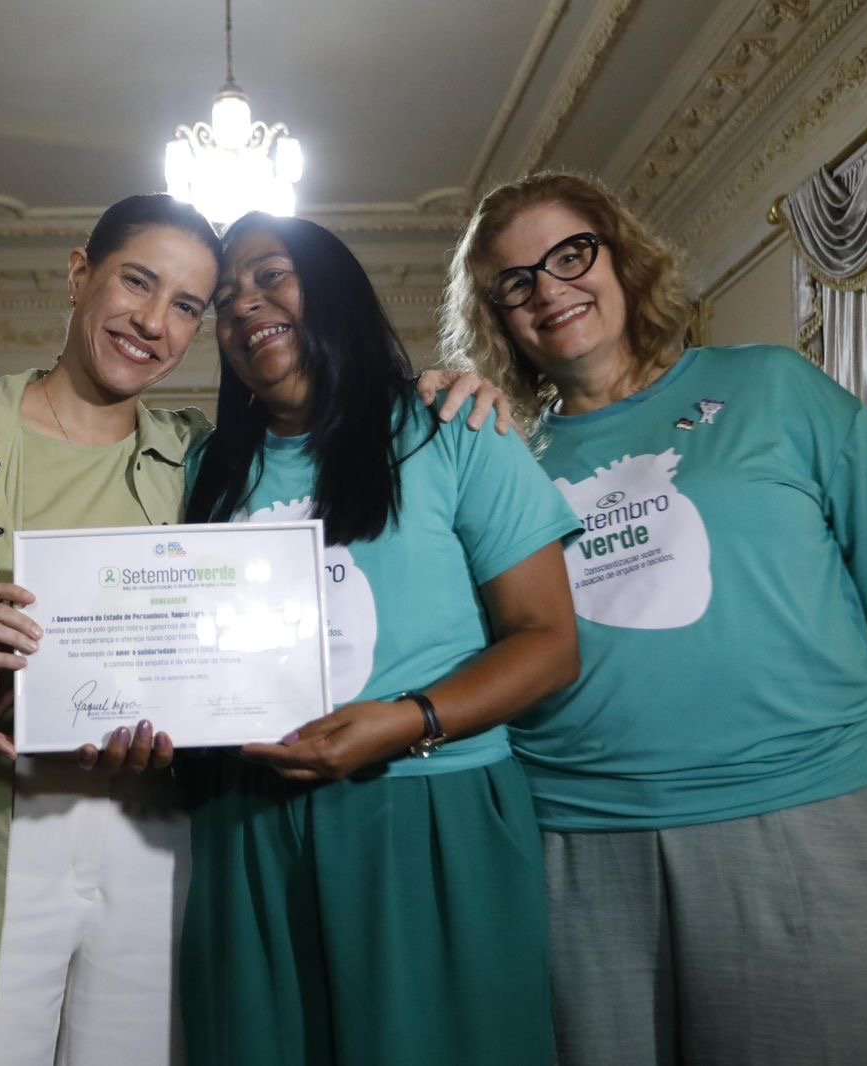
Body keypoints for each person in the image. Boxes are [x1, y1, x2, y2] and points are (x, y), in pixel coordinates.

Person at [0, 195, 508, 1066]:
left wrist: (442, 379)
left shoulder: (204, 459)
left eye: (185, 306)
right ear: (77, 273)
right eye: (138, 282)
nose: (153, 321)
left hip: (154, 831)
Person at [441, 170, 867, 1066]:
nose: (550, 289)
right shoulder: (492, 458)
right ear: (498, 315)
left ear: (621, 258)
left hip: (813, 825)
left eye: (571, 254)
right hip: (574, 851)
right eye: (516, 281)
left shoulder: (775, 387)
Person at [178, 212, 582, 1065]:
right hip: (248, 821)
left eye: (269, 274)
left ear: (337, 292)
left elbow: (547, 641)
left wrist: (404, 720)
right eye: (223, 299)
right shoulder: (204, 469)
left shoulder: (453, 430)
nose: (244, 304)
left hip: (429, 805)